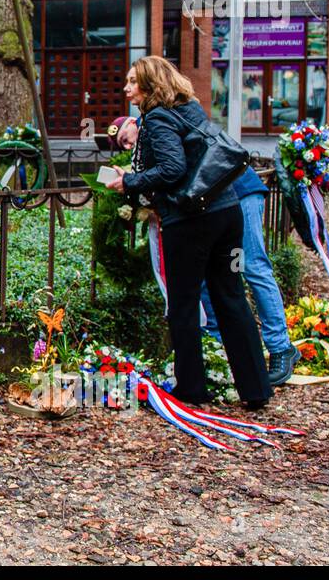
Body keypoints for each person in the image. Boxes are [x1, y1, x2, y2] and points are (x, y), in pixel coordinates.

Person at [102, 56, 272, 409]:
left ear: (150, 85)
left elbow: (172, 168)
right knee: (232, 297)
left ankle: (192, 388)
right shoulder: (190, 109)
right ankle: (255, 389)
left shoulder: (159, 118)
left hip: (191, 220)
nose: (127, 89)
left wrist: (129, 181)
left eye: (133, 82)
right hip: (226, 211)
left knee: (183, 303)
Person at [114, 118, 299, 386]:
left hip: (239, 191)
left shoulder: (156, 121)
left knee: (252, 265)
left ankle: (281, 347)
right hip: (212, 206)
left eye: (125, 137)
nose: (128, 143)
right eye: (123, 145)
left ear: (133, 122)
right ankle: (216, 343)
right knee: (209, 273)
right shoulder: (147, 140)